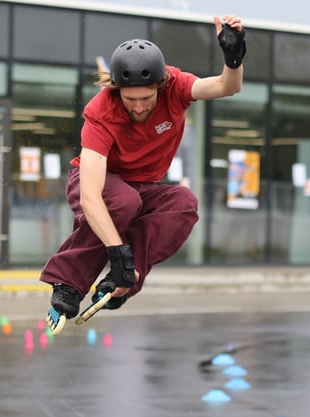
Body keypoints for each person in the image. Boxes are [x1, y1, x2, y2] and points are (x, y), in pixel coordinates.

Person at [39, 15, 247, 334]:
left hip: (143, 190)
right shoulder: (100, 112)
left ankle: (123, 281)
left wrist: (233, 58)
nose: (137, 108)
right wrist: (116, 252)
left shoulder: (176, 87)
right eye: (130, 99)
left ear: (160, 86)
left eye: (146, 99)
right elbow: (92, 196)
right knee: (122, 201)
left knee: (183, 203)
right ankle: (67, 284)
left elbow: (226, 86)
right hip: (95, 183)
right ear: (117, 90)